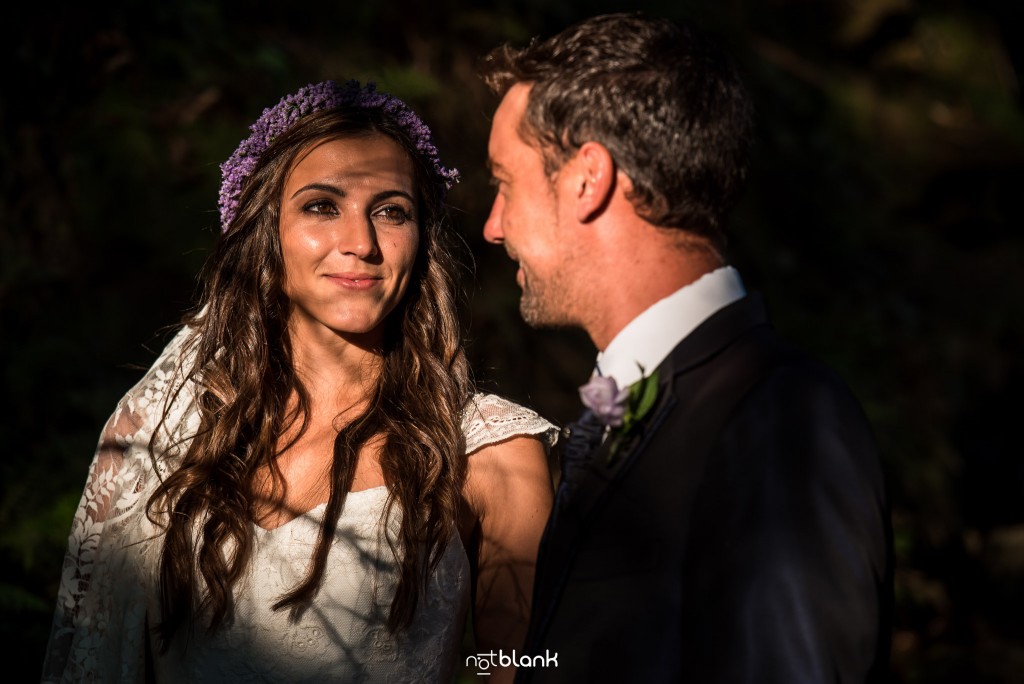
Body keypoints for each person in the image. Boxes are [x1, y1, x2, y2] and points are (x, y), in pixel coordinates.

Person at [42, 79, 557, 683]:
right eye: (321, 206)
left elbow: (528, 661)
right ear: (267, 234)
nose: (361, 243)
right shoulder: (169, 434)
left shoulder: (490, 451)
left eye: (391, 211)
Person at [480, 13, 893, 683]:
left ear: (587, 178)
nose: (492, 227)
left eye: (504, 182)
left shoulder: (781, 419)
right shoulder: (624, 409)